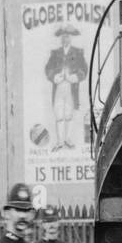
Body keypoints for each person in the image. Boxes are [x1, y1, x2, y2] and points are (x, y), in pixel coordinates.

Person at [44, 23, 88, 151]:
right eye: (63, 36)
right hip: (58, 87)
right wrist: (54, 77)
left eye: (67, 36)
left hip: (71, 87)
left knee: (69, 114)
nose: (65, 39)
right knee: (59, 115)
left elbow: (84, 69)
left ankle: (68, 139)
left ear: (71, 38)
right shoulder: (55, 53)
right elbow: (48, 68)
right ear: (61, 38)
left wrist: (75, 77)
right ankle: (59, 141)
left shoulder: (78, 52)